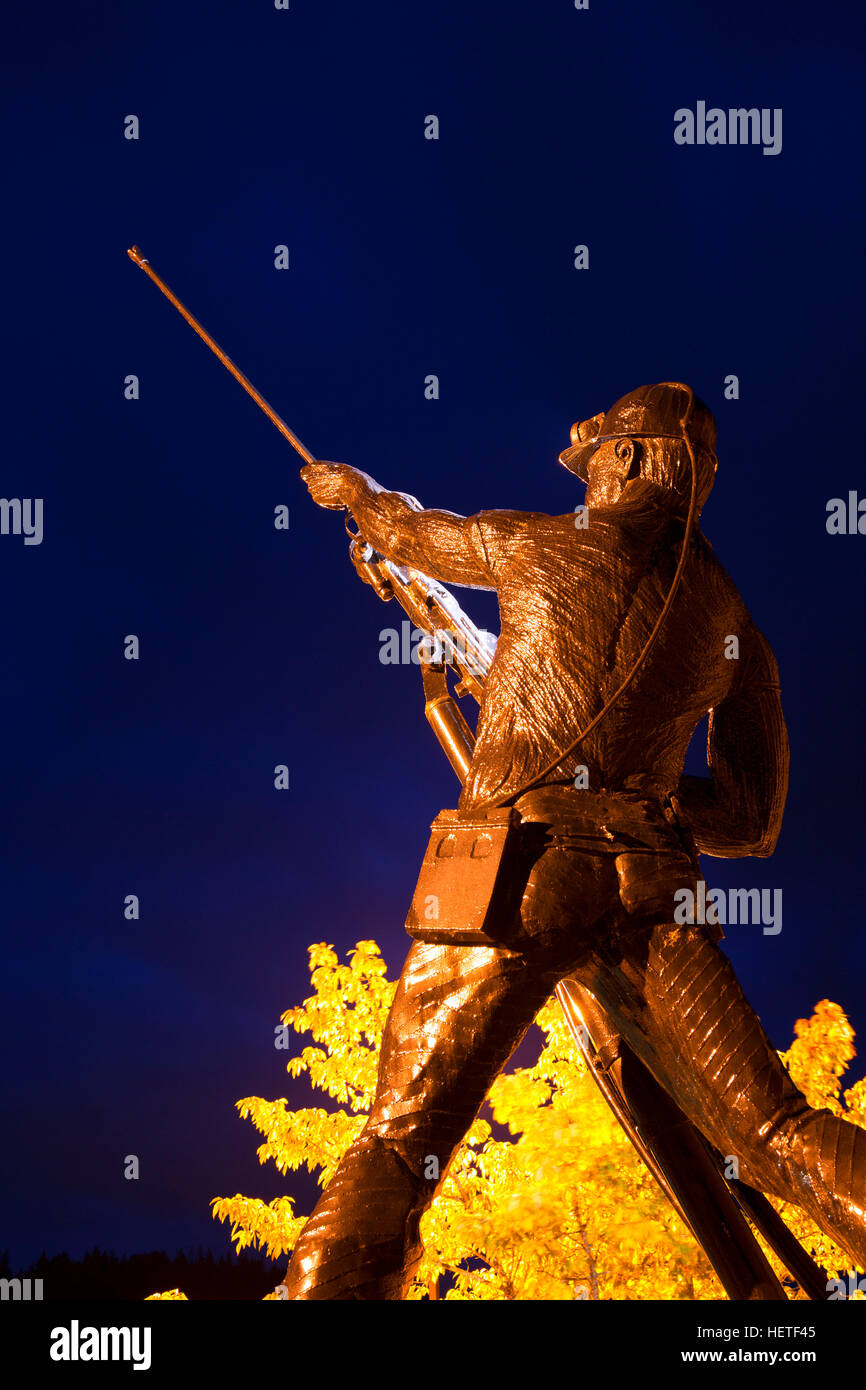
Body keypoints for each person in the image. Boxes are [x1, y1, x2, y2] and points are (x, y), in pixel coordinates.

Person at [284, 382, 866, 1298]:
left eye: (594, 457)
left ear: (631, 457)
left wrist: (353, 492)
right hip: (653, 892)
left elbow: (413, 532)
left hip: (517, 871)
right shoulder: (736, 628)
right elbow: (754, 824)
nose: (586, 474)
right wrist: (649, 802)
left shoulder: (534, 545)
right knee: (777, 1132)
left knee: (401, 1141)